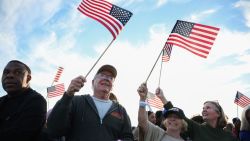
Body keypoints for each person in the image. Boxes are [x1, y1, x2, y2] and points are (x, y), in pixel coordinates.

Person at [47, 64, 133, 141]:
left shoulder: (120, 110)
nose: (106, 78)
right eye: (102, 75)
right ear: (92, 82)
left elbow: (128, 137)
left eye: (111, 77)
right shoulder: (75, 101)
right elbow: (54, 129)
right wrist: (68, 95)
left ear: (113, 86)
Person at [138, 83, 237, 141]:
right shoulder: (198, 128)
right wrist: (162, 98)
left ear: (218, 113)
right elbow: (179, 116)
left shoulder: (229, 136)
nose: (204, 110)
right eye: (203, 108)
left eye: (208, 108)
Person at [0, 60, 47, 141]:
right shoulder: (1, 101)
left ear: (28, 79)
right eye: (6, 72)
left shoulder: (36, 101)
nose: (9, 75)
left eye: (17, 72)